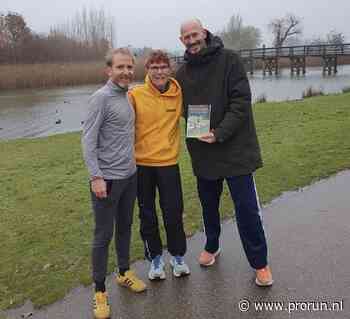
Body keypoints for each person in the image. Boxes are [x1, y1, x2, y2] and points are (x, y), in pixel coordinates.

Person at [176, 19, 273, 286]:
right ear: (181, 40)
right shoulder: (181, 73)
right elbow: (175, 103)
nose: (191, 40)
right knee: (208, 206)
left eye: (194, 34)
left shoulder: (230, 60)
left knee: (247, 209)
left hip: (236, 150)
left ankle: (260, 263)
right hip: (203, 152)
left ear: (204, 33)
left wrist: (218, 133)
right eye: (186, 37)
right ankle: (212, 245)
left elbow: (241, 102)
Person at [82, 48, 146, 319]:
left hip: (129, 177)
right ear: (109, 70)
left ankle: (123, 272)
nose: (126, 72)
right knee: (103, 235)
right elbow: (88, 140)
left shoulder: (128, 96)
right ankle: (99, 291)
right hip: (106, 180)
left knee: (125, 228)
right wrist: (96, 176)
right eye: (120, 67)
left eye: (130, 67)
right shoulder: (101, 98)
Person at [128, 50, 190, 280]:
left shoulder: (178, 93)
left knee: (173, 212)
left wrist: (208, 135)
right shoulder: (135, 95)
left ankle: (178, 257)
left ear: (170, 69)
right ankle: (155, 260)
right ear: (148, 70)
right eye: (154, 67)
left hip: (168, 163)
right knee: (147, 214)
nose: (159, 71)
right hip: (141, 165)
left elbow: (198, 111)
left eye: (163, 66)